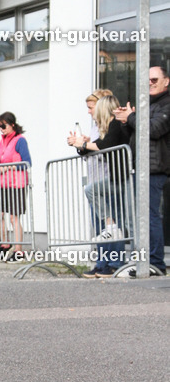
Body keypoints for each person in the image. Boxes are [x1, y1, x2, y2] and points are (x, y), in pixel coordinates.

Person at [114, 66, 170, 276]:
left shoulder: (166, 104)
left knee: (150, 217)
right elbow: (135, 135)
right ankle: (144, 261)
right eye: (147, 80)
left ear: (166, 81)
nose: (150, 83)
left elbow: (153, 131)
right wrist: (125, 120)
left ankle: (155, 263)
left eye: (154, 79)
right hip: (142, 168)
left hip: (154, 170)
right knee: (141, 218)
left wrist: (131, 118)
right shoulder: (149, 105)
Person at [69, 93, 130, 277]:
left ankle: (116, 263)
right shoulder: (102, 126)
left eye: (91, 108)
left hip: (113, 178)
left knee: (117, 223)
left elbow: (104, 144)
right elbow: (93, 147)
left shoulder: (115, 125)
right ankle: (103, 264)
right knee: (103, 227)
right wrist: (81, 145)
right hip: (102, 179)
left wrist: (84, 143)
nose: (90, 112)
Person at [0, 112, 31, 260]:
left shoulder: (20, 140)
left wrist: (8, 168)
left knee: (14, 218)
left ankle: (18, 250)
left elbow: (27, 163)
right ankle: (5, 243)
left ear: (12, 124)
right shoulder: (2, 142)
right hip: (3, 184)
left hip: (17, 184)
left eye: (3, 125)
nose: (1, 128)